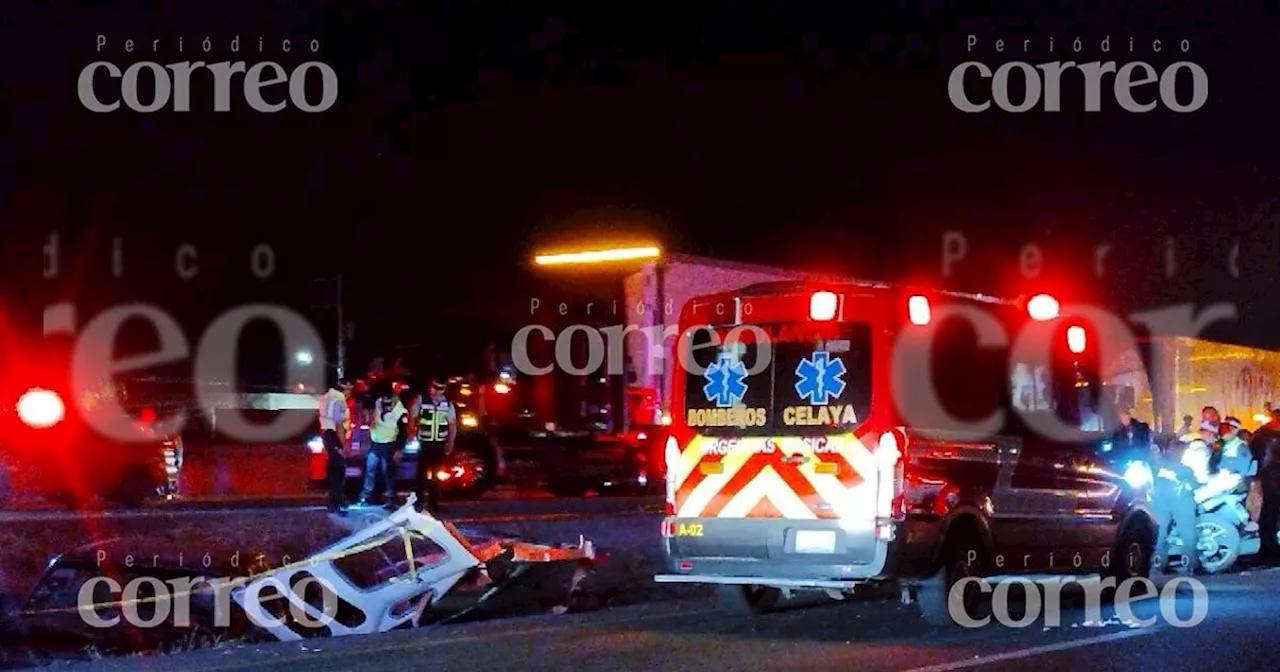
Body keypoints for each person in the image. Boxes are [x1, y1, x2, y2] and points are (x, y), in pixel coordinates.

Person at [1151, 437, 1203, 574]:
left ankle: (1158, 564)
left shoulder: (1156, 466)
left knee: (1160, 533)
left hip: (1160, 502)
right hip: (1182, 502)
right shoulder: (1186, 470)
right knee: (1188, 534)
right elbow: (1195, 485)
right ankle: (1190, 565)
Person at [358, 382, 407, 510]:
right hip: (375, 443)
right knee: (370, 469)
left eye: (389, 405)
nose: (386, 407)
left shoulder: (400, 412)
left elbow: (403, 433)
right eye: (384, 404)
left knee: (388, 472)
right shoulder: (378, 402)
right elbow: (367, 405)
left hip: (389, 445)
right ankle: (366, 496)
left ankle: (391, 499)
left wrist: (399, 449)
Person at [414, 378, 457, 513]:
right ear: (430, 387)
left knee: (437, 474)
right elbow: (412, 417)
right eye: (435, 387)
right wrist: (412, 435)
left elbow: (452, 424)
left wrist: (450, 442)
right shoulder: (422, 400)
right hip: (424, 442)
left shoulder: (447, 404)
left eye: (441, 388)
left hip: (439, 443)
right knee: (420, 473)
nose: (437, 391)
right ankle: (419, 501)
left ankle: (433, 502)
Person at [318, 378, 353, 515]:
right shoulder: (339, 400)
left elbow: (321, 419)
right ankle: (338, 503)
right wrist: (344, 445)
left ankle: (333, 502)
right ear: (346, 388)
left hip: (327, 435)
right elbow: (339, 424)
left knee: (333, 471)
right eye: (350, 389)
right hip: (335, 436)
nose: (350, 393)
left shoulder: (325, 397)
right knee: (339, 472)